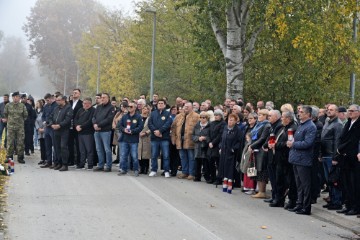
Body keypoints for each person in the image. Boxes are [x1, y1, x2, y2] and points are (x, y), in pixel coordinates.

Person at [287, 105, 317, 215]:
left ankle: (306, 206)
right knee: (298, 184)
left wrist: (293, 144)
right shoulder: (301, 125)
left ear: (308, 114)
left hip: (303, 159)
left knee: (305, 184)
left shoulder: (310, 127)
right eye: (299, 112)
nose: (299, 114)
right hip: (296, 158)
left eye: (301, 112)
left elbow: (308, 143)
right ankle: (299, 204)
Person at [269, 111, 298, 208]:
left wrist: (276, 145)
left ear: (288, 118)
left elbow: (287, 143)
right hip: (279, 158)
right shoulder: (283, 128)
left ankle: (291, 201)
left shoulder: (293, 128)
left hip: (286, 158)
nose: (281, 119)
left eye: (283, 117)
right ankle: (279, 199)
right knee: (279, 180)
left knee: (289, 181)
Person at [335, 104, 360, 216]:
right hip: (344, 157)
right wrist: (339, 149)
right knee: (345, 183)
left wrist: (342, 148)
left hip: (353, 158)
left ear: (358, 112)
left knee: (354, 183)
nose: (349, 112)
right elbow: (342, 137)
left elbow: (353, 141)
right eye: (349, 110)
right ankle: (348, 204)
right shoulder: (348, 123)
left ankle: (355, 207)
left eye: (352, 111)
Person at [320, 104, 343, 210]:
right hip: (325, 154)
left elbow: (338, 142)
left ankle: (336, 201)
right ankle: (331, 200)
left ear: (337, 112)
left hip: (331, 156)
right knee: (328, 179)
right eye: (328, 109)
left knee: (334, 180)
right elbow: (323, 139)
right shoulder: (327, 122)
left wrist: (335, 157)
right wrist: (320, 154)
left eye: (331, 110)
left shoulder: (338, 124)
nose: (328, 111)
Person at [172, 102, 200, 180]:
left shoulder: (197, 116)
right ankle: (184, 172)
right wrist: (173, 138)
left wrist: (197, 138)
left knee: (191, 158)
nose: (186, 108)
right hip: (180, 140)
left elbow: (199, 128)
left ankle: (191, 173)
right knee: (183, 157)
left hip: (190, 140)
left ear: (192, 107)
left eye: (188, 106)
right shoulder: (178, 116)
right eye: (185, 106)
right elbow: (173, 128)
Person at [248, 109, 271, 199]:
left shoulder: (266, 125)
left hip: (261, 150)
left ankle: (262, 191)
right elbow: (253, 136)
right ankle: (260, 191)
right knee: (258, 170)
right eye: (258, 114)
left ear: (265, 116)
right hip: (256, 150)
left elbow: (262, 138)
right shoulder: (258, 124)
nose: (259, 116)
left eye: (261, 115)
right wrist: (251, 144)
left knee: (262, 170)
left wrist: (252, 146)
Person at [117, 102, 143, 176]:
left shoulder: (138, 117)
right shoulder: (125, 116)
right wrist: (124, 129)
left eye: (131, 106)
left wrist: (132, 131)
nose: (129, 108)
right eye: (128, 106)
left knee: (134, 156)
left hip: (133, 139)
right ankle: (123, 169)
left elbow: (140, 127)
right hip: (125, 139)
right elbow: (119, 125)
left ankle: (136, 170)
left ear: (135, 108)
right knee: (124, 155)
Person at [148, 99, 172, 177]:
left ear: (165, 105)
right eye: (159, 103)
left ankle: (166, 171)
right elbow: (150, 123)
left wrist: (160, 131)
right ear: (157, 105)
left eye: (162, 103)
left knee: (165, 155)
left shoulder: (168, 114)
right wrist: (155, 131)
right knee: (154, 155)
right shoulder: (153, 113)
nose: (160, 104)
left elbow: (168, 124)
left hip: (164, 138)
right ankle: (153, 170)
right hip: (154, 138)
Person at [218, 113, 242, 194]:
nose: (229, 122)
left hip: (231, 153)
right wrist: (220, 147)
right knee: (223, 168)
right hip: (224, 152)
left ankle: (230, 186)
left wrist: (233, 149)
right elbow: (222, 139)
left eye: (231, 120)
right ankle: (224, 185)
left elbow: (239, 142)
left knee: (230, 169)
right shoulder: (225, 128)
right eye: (229, 120)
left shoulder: (238, 130)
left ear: (235, 121)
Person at [92, 93, 116, 172]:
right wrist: (95, 124)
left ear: (108, 98)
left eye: (104, 97)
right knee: (99, 149)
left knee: (107, 149)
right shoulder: (98, 107)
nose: (102, 99)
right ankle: (100, 165)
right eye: (101, 97)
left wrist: (99, 125)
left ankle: (108, 166)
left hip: (105, 131)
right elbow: (94, 117)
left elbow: (109, 119)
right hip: (97, 131)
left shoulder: (111, 108)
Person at [49, 95, 73, 171]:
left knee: (63, 147)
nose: (57, 102)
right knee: (56, 147)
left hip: (64, 130)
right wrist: (51, 124)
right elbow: (51, 117)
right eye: (56, 100)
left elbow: (67, 119)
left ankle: (65, 164)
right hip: (55, 130)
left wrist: (59, 125)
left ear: (63, 100)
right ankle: (59, 163)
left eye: (59, 100)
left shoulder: (68, 108)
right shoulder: (56, 108)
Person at [3, 92, 28, 163]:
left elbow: (25, 115)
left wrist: (20, 121)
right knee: (10, 142)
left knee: (20, 142)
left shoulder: (22, 106)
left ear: (19, 98)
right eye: (14, 97)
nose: (15, 98)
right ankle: (9, 157)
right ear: (12, 98)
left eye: (16, 97)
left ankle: (20, 157)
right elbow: (5, 114)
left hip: (20, 127)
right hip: (10, 127)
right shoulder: (8, 105)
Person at [74, 97, 95, 170]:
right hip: (80, 133)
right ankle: (82, 164)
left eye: (87, 103)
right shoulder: (80, 110)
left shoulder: (93, 110)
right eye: (84, 103)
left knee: (89, 150)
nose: (85, 105)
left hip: (88, 133)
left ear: (90, 104)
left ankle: (90, 164)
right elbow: (75, 119)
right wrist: (76, 126)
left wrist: (81, 126)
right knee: (81, 150)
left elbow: (90, 121)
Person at [207, 109, 226, 184]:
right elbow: (208, 133)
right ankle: (213, 177)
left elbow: (220, 135)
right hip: (210, 145)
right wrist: (209, 142)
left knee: (218, 163)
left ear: (221, 116)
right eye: (215, 115)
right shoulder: (212, 123)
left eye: (217, 115)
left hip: (217, 145)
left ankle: (219, 179)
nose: (216, 116)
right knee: (210, 162)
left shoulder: (223, 123)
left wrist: (213, 143)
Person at [40, 94, 58, 168]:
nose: (47, 102)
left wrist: (50, 123)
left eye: (48, 100)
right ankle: (49, 161)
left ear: (52, 99)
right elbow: (43, 115)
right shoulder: (46, 106)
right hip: (46, 128)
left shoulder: (56, 106)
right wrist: (44, 121)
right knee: (47, 145)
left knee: (55, 146)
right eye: (46, 100)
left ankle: (55, 162)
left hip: (53, 127)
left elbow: (55, 116)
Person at [192, 111, 210, 182]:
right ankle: (197, 176)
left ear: (207, 118)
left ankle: (207, 177)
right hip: (197, 146)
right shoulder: (196, 126)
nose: (202, 119)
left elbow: (211, 136)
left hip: (205, 147)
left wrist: (205, 138)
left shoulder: (209, 126)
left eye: (204, 117)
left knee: (205, 163)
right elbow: (193, 136)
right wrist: (198, 138)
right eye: (201, 117)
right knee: (197, 163)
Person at [68, 88, 83, 167]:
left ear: (79, 94)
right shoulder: (69, 103)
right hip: (69, 126)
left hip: (77, 126)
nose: (74, 94)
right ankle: (71, 160)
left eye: (76, 93)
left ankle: (79, 161)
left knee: (78, 144)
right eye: (73, 92)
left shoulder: (81, 103)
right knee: (70, 144)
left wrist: (78, 124)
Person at [138, 105, 152, 174]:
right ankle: (141, 168)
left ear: (148, 110)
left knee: (146, 154)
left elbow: (152, 127)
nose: (144, 110)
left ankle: (146, 168)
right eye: (143, 108)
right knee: (140, 153)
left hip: (147, 137)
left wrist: (146, 132)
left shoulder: (150, 118)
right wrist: (137, 132)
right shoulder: (138, 117)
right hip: (139, 137)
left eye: (146, 109)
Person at [35, 100, 46, 164]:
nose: (37, 104)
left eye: (38, 103)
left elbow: (45, 120)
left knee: (45, 145)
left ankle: (46, 159)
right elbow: (35, 120)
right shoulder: (36, 112)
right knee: (41, 145)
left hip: (44, 129)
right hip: (39, 130)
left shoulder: (43, 111)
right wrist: (38, 128)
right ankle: (42, 159)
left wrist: (44, 128)